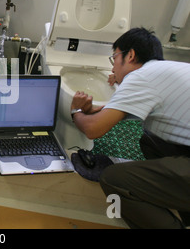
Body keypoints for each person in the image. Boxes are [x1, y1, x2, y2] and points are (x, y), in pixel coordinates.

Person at [70, 27, 190, 229]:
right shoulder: (166, 72)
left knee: (114, 179)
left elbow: (93, 129)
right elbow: (113, 112)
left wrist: (75, 111)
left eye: (114, 58)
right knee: (150, 140)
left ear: (131, 55)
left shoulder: (143, 77)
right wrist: (93, 108)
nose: (112, 68)